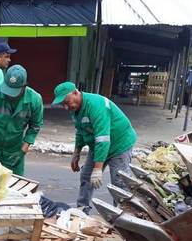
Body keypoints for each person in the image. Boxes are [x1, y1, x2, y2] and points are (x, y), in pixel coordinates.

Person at [52, 81, 137, 211]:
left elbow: (103, 138)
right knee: (86, 176)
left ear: (75, 93)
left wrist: (97, 169)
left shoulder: (96, 106)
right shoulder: (75, 109)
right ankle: (82, 210)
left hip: (119, 144)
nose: (66, 107)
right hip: (98, 144)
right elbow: (80, 132)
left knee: (119, 182)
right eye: (62, 104)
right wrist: (76, 154)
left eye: (66, 102)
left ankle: (124, 214)